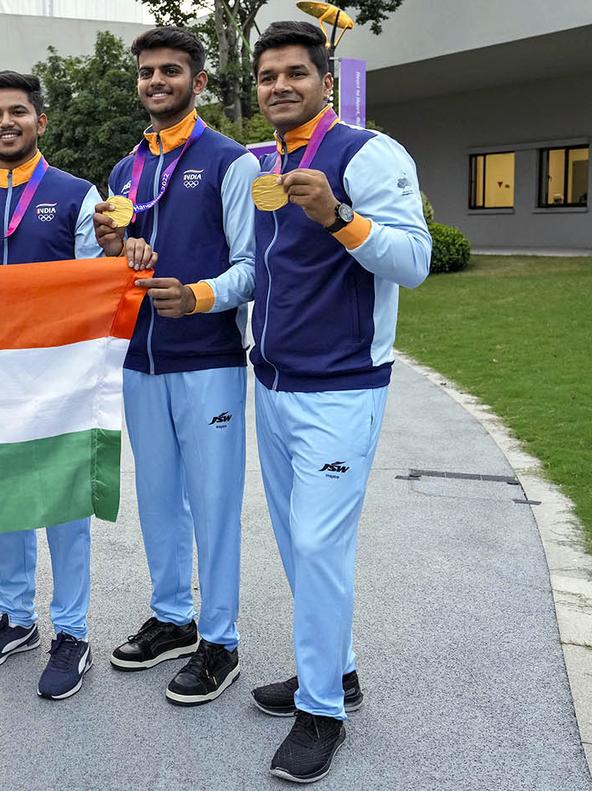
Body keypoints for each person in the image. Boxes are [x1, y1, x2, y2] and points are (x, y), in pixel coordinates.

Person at [179, 21, 429, 783]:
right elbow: (261, 271)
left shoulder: (367, 153)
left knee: (320, 547)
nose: (280, 85)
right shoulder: (266, 164)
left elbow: (413, 261)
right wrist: (198, 293)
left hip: (342, 388)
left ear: (326, 79)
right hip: (274, 383)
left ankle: (322, 711)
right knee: (296, 543)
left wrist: (339, 217)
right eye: (267, 76)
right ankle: (337, 670)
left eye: (295, 72)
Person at [0, 71, 147, 701]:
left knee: (62, 503)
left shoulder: (77, 195)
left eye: (18, 112)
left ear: (40, 121)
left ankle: (72, 632)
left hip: (60, 374)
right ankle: (16, 618)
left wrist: (117, 253)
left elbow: (98, 282)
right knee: (3, 497)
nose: (6, 123)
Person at [93, 27, 258, 707]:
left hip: (208, 359)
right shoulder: (124, 171)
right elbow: (117, 264)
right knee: (158, 497)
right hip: (140, 359)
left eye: (170, 70)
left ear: (199, 81)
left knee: (213, 502)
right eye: (146, 72)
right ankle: (173, 617)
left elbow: (253, 268)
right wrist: (113, 248)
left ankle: (221, 639)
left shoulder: (230, 161)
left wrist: (198, 296)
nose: (156, 81)